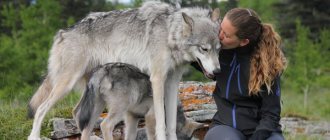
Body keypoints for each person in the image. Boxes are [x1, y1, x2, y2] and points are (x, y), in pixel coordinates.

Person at [193, 8, 287, 140]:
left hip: (263, 131)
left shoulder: (267, 64)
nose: (219, 36)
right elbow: (192, 55)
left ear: (244, 42)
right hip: (225, 127)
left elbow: (271, 114)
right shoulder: (217, 52)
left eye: (226, 35)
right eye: (220, 29)